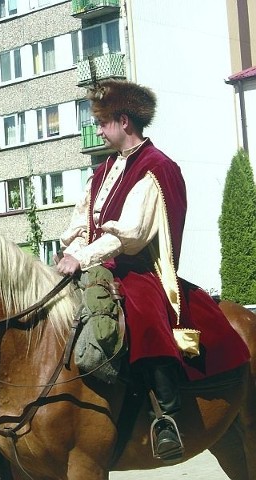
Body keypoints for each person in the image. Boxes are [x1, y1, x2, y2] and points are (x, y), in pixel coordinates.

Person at [56, 79, 249, 462]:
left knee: (143, 314)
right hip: (99, 264)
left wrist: (84, 257)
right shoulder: (103, 170)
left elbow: (132, 235)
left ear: (123, 120)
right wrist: (70, 256)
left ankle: (167, 414)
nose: (98, 129)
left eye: (103, 122)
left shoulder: (156, 168)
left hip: (140, 269)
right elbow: (84, 224)